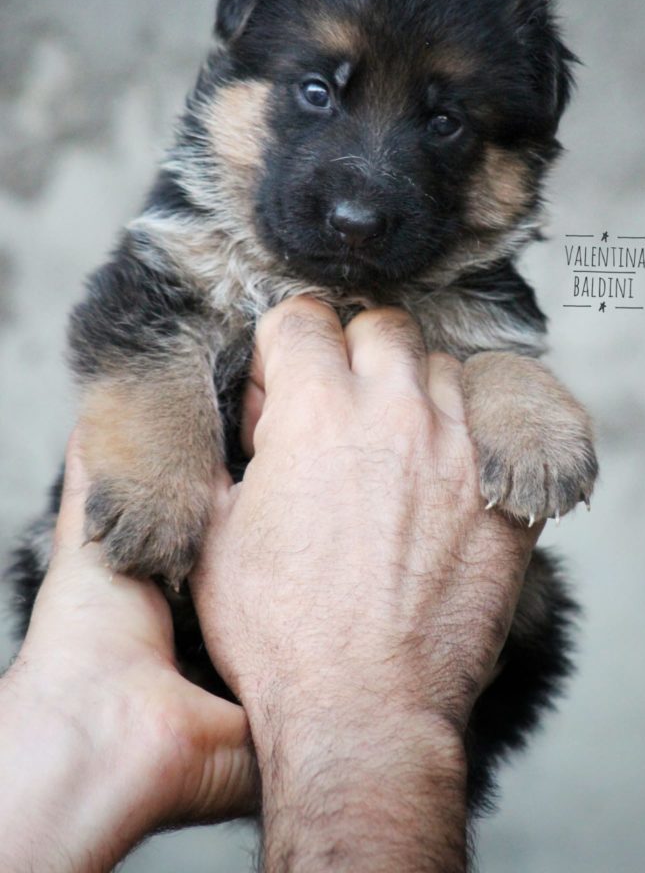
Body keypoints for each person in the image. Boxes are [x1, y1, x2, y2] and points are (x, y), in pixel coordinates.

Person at [0, 297, 543, 872]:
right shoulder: (188, 268)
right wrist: (371, 716)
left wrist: (78, 726)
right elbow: (140, 333)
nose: (355, 214)